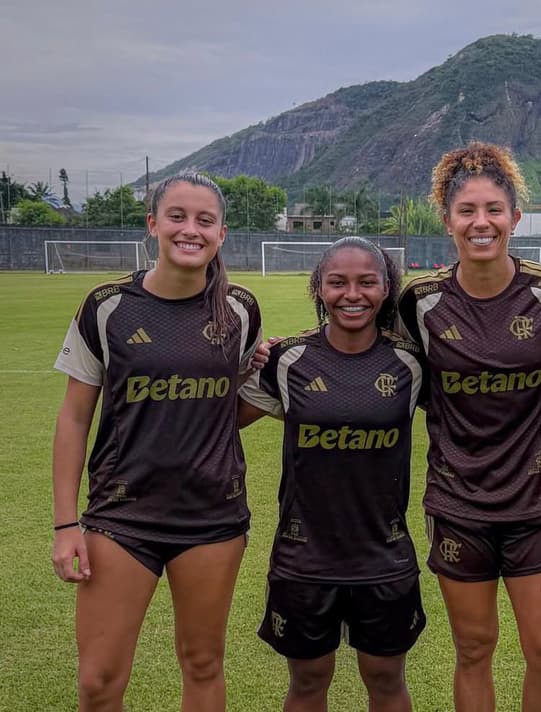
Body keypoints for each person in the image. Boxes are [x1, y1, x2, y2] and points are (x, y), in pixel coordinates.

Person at [397, 142, 541, 711]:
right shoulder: (420, 302)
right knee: (474, 648)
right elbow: (397, 375)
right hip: (460, 502)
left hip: (540, 499)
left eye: (493, 210)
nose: (480, 222)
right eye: (467, 211)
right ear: (448, 220)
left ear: (513, 217)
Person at [51, 172, 262, 711]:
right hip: (123, 518)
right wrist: (66, 523)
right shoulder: (106, 306)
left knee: (202, 664)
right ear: (152, 226)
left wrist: (259, 379)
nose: (190, 230)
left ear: (221, 234)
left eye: (204, 220)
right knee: (98, 682)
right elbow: (74, 419)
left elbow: (225, 413)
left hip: (212, 518)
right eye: (177, 217)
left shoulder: (240, 310)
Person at [239, 236, 426, 712]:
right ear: (318, 288)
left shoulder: (410, 363)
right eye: (337, 282)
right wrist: (240, 364)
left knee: (386, 680)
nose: (352, 294)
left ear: (386, 289)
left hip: (383, 554)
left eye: (367, 282)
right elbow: (219, 419)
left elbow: (472, 405)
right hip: (305, 556)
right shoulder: (287, 359)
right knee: (308, 681)